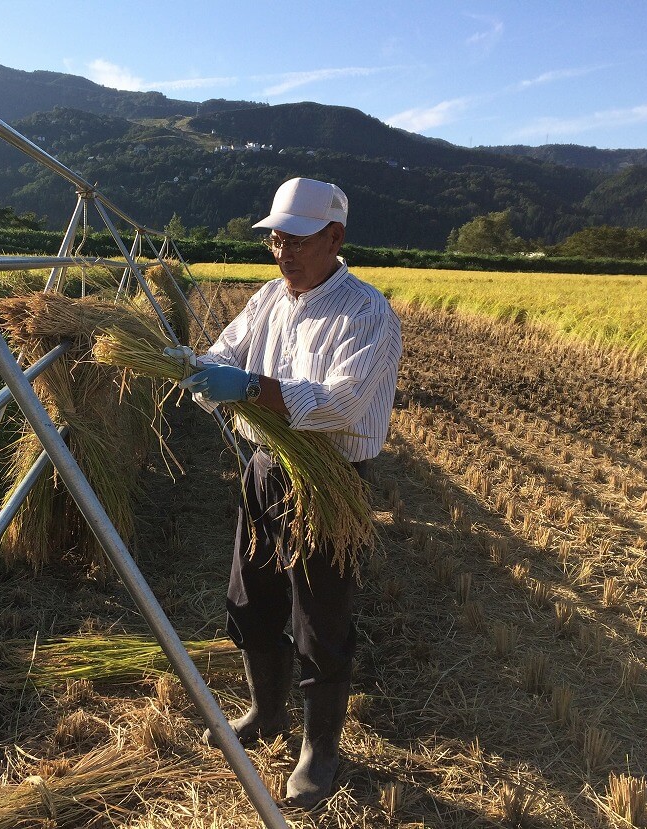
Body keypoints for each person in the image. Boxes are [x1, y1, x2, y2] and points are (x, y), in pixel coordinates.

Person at [172, 177, 402, 809]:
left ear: (335, 237)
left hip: (329, 478)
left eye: (297, 240)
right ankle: (266, 711)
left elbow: (341, 403)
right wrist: (191, 367)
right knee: (251, 599)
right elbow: (226, 353)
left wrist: (247, 389)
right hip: (267, 469)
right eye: (276, 239)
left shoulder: (367, 313)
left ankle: (319, 751)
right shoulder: (270, 299)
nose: (284, 253)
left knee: (320, 620)